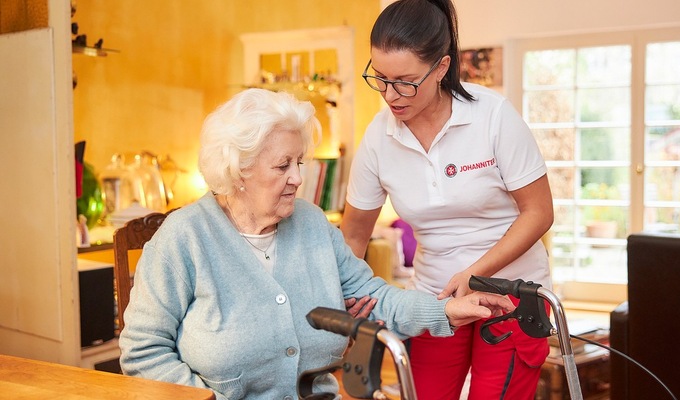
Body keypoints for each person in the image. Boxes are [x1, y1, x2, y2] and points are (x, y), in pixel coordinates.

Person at [117, 88, 515, 400]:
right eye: (282, 166)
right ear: (238, 169)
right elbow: (143, 350)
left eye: (299, 163)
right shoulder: (184, 238)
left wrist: (446, 308)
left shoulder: (311, 224)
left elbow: (375, 297)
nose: (297, 178)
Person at [340, 0, 555, 399]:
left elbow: (539, 212)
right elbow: (353, 237)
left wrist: (473, 273)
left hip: (511, 292)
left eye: (405, 81)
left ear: (441, 67)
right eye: (380, 78)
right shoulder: (378, 137)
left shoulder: (492, 116)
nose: (390, 95)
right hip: (435, 299)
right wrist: (344, 298)